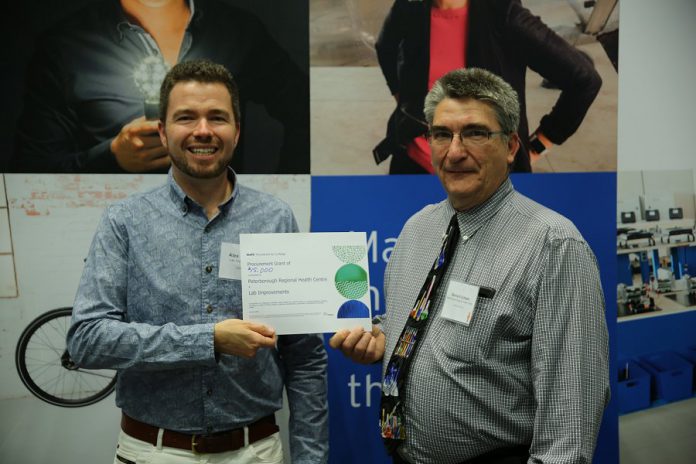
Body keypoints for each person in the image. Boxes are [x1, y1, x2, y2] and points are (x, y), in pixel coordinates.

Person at [331, 68, 609, 463]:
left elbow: (571, 423)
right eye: (441, 134)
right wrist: (383, 336)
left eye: (475, 133)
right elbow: (419, 319)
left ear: (512, 145)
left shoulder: (553, 246)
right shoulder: (417, 228)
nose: (454, 151)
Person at [67, 60, 327, 464]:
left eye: (217, 118)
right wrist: (208, 340)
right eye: (186, 117)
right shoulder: (125, 221)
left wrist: (311, 458)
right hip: (152, 453)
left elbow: (305, 356)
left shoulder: (276, 219)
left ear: (237, 132)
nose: (203, 130)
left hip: (255, 452)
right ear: (162, 131)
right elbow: (88, 340)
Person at [10, 0, 308, 174]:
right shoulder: (67, 47)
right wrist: (112, 157)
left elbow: (307, 114)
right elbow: (30, 171)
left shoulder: (239, 32)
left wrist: (281, 192)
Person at [373, 0, 601, 174]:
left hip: (487, 179)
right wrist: (404, 101)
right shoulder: (410, 7)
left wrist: (539, 145)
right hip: (416, 167)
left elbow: (584, 79)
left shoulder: (503, 15)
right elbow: (385, 47)